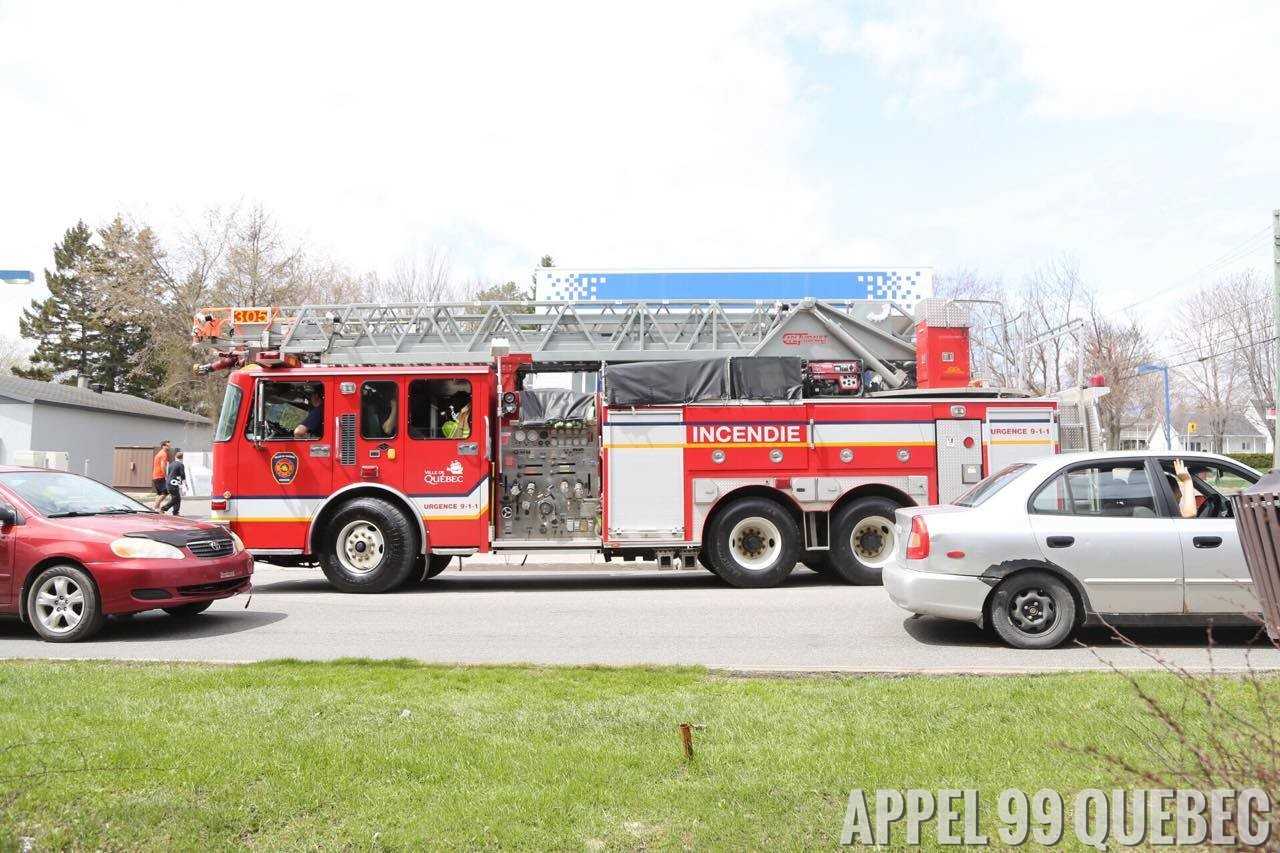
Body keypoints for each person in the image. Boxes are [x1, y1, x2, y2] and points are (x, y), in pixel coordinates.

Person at [160, 449, 187, 516]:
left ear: (175, 457)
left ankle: (175, 512)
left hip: (169, 482)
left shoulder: (171, 464)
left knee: (177, 498)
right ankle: (163, 509)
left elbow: (169, 473)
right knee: (176, 498)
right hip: (173, 483)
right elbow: (182, 475)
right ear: (182, 458)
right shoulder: (180, 465)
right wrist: (185, 484)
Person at [150, 440, 172, 510]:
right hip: (160, 476)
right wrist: (166, 476)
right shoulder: (163, 454)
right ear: (163, 446)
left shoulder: (159, 453)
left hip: (155, 476)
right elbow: (163, 465)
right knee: (165, 492)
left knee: (159, 493)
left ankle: (157, 508)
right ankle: (155, 507)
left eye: (169, 446)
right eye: (168, 446)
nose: (169, 447)